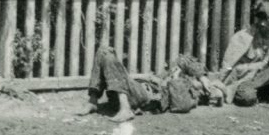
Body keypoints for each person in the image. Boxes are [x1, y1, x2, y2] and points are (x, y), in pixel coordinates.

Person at [82, 47, 223, 123]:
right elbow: (184, 59)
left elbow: (181, 105)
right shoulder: (190, 75)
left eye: (211, 91)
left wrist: (176, 80)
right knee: (103, 51)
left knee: (107, 54)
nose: (208, 88)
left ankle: (125, 109)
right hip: (129, 91)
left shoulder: (191, 94)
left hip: (144, 97)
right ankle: (93, 101)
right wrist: (203, 77)